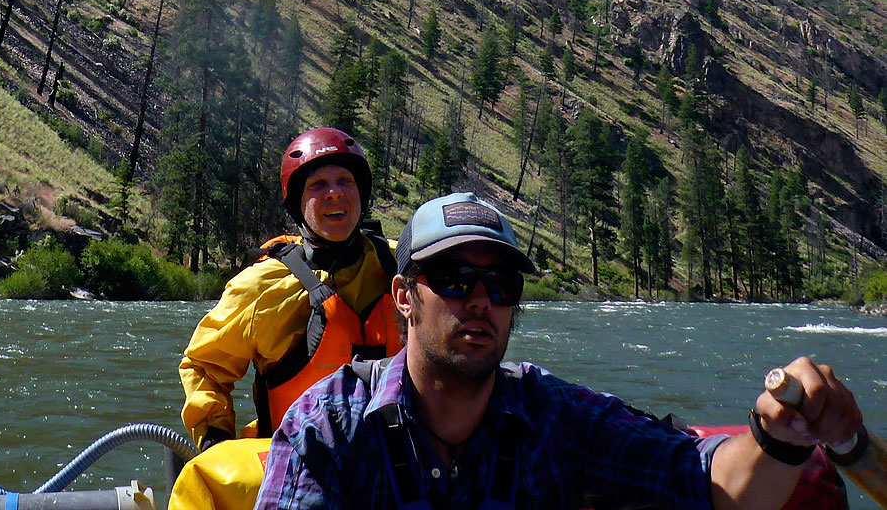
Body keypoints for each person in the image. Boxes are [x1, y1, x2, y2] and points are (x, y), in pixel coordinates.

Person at [254, 191, 864, 510]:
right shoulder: (327, 426)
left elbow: (705, 481)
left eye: (500, 286)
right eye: (456, 279)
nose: (480, 301)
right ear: (404, 298)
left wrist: (778, 436)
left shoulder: (555, 416)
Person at [179, 127, 402, 449]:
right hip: (298, 464)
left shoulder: (403, 265)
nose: (335, 193)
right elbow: (205, 367)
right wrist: (215, 438)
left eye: (345, 181)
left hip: (394, 460)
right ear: (298, 203)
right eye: (318, 185)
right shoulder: (262, 286)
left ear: (360, 194)